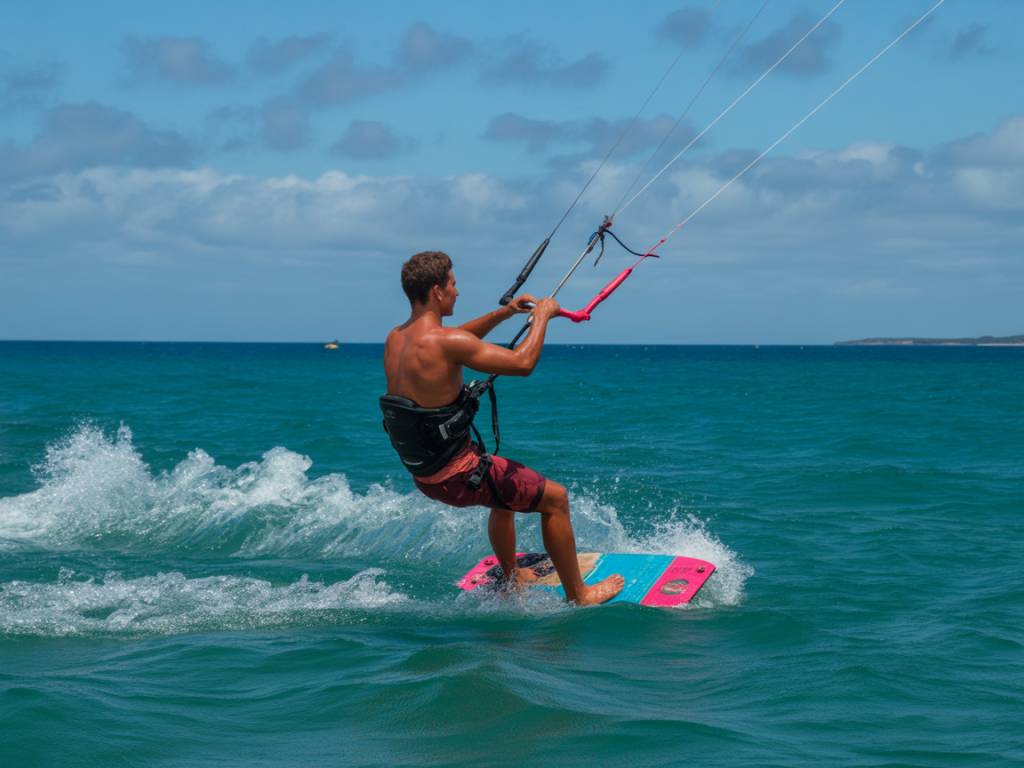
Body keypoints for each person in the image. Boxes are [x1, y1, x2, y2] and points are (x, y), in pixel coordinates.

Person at [381, 251, 624, 605]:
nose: (457, 291)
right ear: (436, 290)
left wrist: (506, 313)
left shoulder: (397, 338)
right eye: (453, 283)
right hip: (458, 476)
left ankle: (512, 578)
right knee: (555, 499)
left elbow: (455, 338)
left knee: (505, 490)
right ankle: (579, 594)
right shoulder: (447, 343)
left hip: (426, 474)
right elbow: (523, 363)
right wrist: (542, 316)